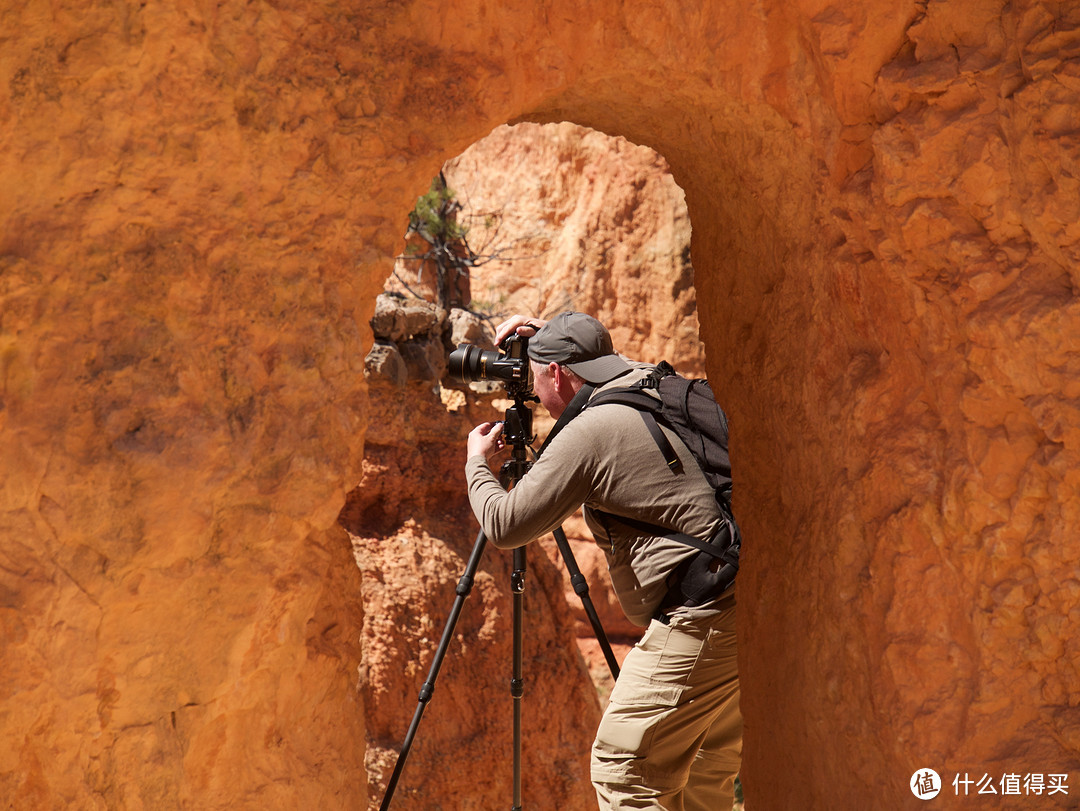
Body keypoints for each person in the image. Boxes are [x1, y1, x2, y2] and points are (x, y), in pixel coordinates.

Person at [465, 311, 742, 811]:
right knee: (704, 771)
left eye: (537, 371)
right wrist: (549, 337)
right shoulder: (643, 378)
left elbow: (504, 525)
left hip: (701, 616)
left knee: (624, 772)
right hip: (743, 600)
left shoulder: (591, 430)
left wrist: (475, 462)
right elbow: (580, 357)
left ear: (556, 374)